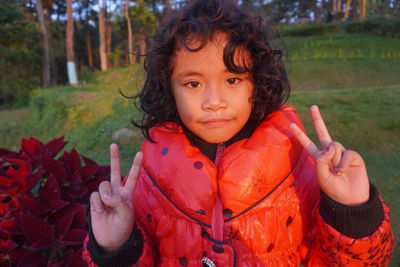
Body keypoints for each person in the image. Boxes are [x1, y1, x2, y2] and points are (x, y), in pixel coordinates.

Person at [83, 0, 394, 266]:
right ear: (169, 87)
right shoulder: (146, 179)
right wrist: (115, 247)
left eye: (232, 80)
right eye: (193, 83)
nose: (214, 102)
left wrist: (353, 213)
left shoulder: (301, 168)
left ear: (257, 82)